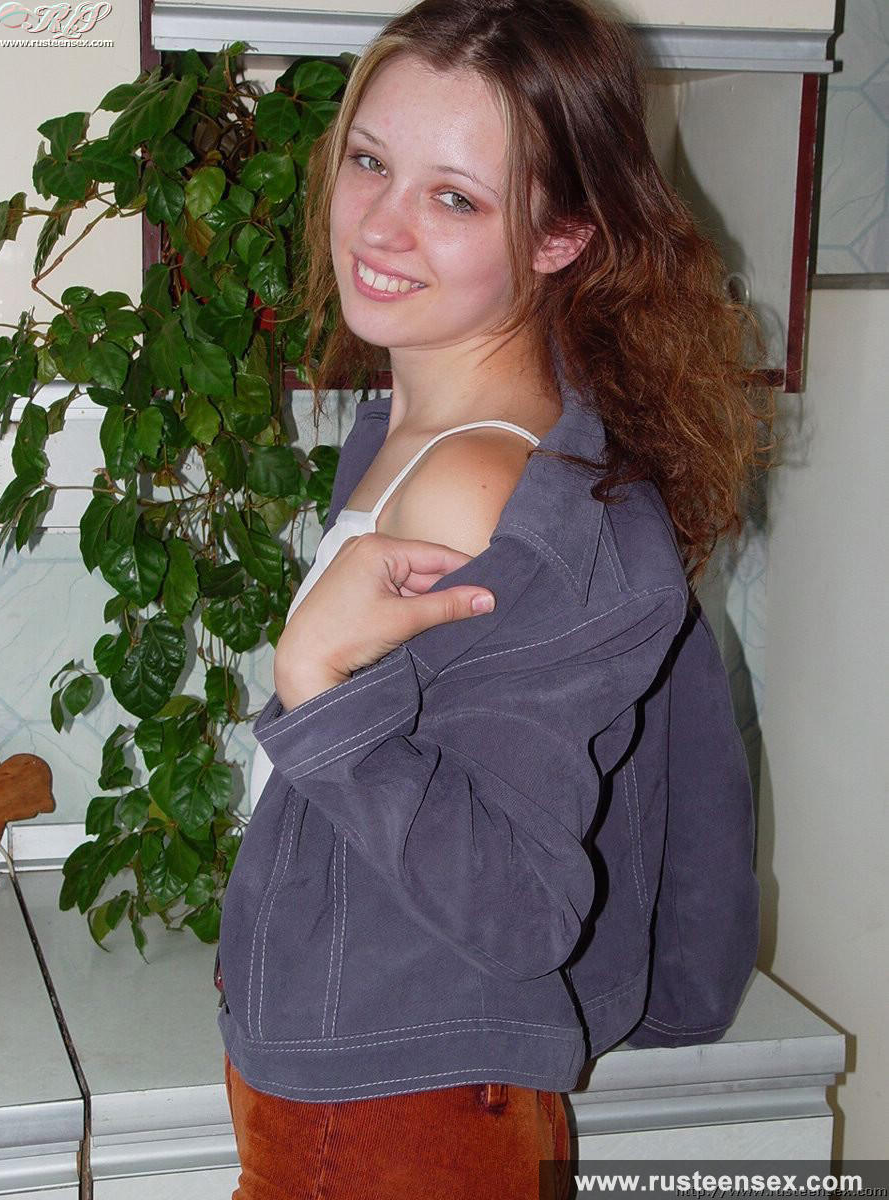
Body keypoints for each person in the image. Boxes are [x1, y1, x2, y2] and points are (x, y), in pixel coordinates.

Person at [215, 1, 775, 1196]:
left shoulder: (481, 487)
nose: (380, 224)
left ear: (562, 235)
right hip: (357, 1080)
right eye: (371, 160)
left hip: (392, 1114)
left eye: (456, 198)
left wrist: (313, 684)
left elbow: (524, 905)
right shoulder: (413, 428)